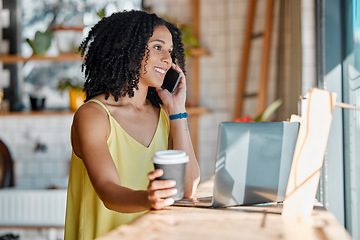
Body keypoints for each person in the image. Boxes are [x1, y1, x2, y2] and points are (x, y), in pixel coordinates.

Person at [64, 10, 200, 239]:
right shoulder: (93, 115)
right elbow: (108, 190)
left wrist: (178, 111)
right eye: (158, 47)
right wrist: (147, 199)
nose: (168, 59)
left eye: (170, 51)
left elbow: (188, 189)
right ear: (129, 48)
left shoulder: (165, 118)